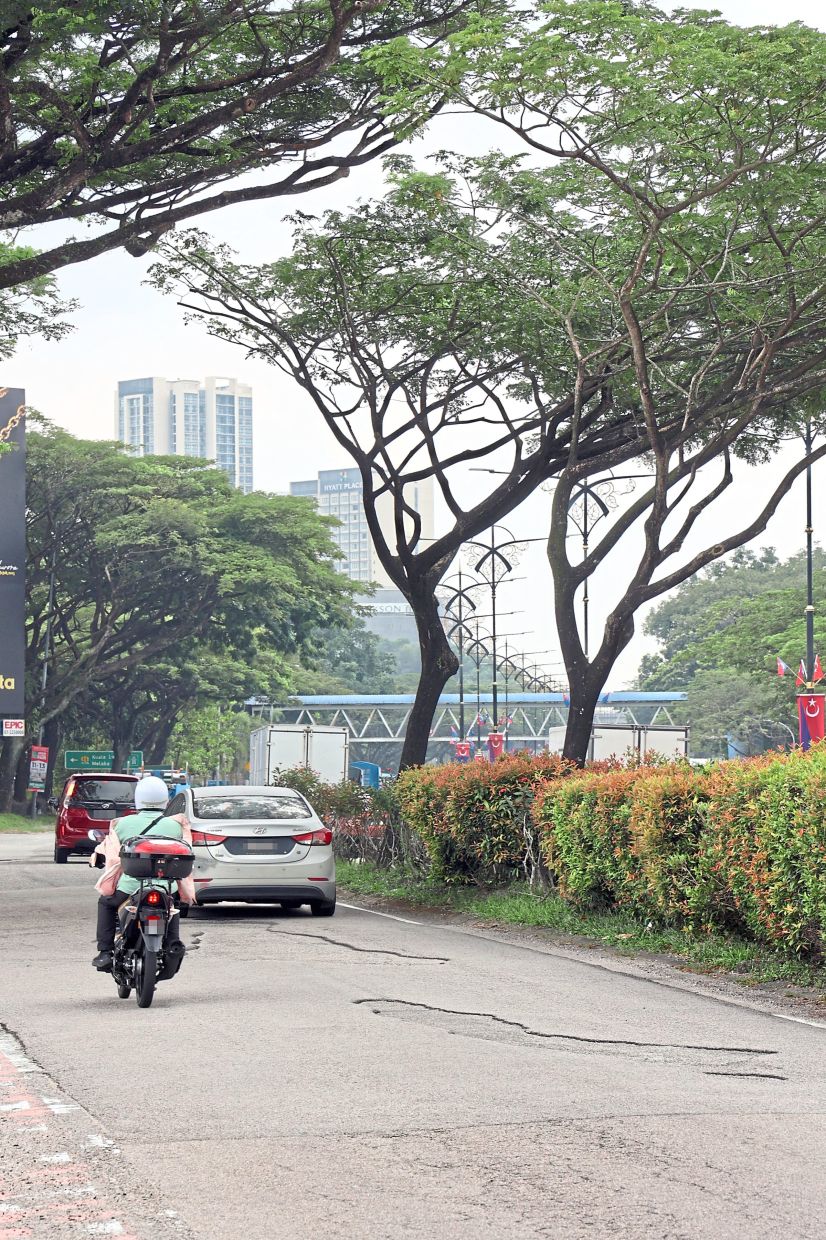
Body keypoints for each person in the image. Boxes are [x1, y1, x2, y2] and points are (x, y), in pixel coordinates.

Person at [91, 774, 187, 972]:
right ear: (165, 799)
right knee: (172, 907)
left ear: (138, 799)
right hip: (166, 886)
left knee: (106, 904)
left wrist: (96, 859)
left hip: (131, 887)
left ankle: (105, 952)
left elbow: (110, 855)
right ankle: (172, 943)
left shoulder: (122, 824)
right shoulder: (176, 826)